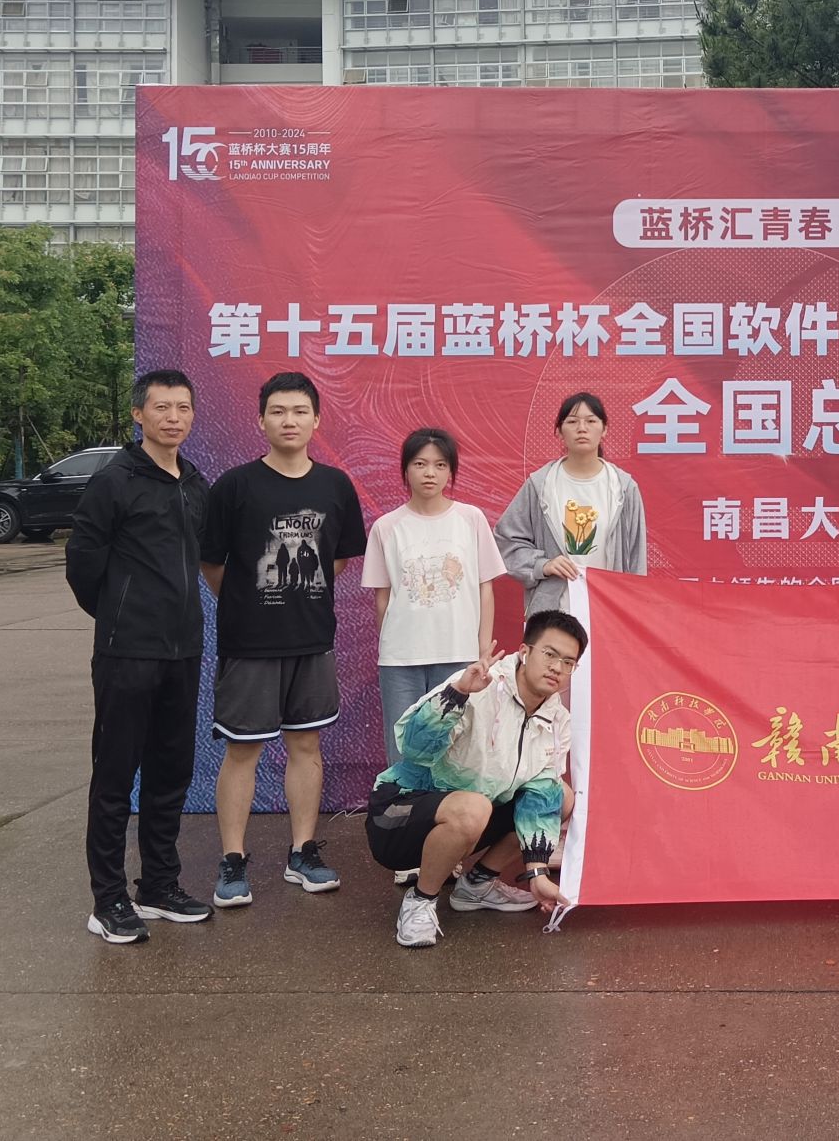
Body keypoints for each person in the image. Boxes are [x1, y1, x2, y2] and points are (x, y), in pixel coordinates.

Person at [200, 370, 367, 908]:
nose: (288, 421)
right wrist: (251, 601)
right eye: (278, 411)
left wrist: (297, 595)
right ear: (261, 420)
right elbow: (213, 565)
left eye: (299, 411)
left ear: (317, 420)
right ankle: (232, 860)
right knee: (242, 750)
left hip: (312, 640)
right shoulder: (234, 487)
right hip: (249, 643)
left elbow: (338, 560)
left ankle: (302, 852)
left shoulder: (335, 485)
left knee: (306, 745)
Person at [65, 369, 215, 945]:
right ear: (138, 414)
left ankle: (158, 885)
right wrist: (119, 614)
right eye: (161, 407)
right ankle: (108, 900)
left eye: (183, 407)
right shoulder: (114, 481)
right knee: (114, 775)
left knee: (170, 773)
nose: (173, 417)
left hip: (183, 651)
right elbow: (84, 565)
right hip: (127, 651)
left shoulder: (195, 483)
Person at [366, 610, 584, 948]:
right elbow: (413, 749)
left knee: (560, 795)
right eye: (550, 654)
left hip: (472, 814)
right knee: (474, 808)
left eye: (568, 662)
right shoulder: (478, 684)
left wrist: (537, 871)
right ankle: (421, 900)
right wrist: (458, 695)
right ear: (525, 652)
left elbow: (541, 795)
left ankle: (477, 885)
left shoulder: (558, 720)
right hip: (399, 813)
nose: (557, 667)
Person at [363, 427, 507, 881]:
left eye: (440, 465)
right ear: (405, 470)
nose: (430, 473)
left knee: (454, 751)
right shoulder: (387, 527)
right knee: (404, 750)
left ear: (451, 472)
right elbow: (383, 597)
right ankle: (407, 853)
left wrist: (481, 647)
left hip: (458, 657)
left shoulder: (470, 519)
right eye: (420, 464)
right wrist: (393, 642)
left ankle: (447, 847)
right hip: (401, 658)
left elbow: (486, 588)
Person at [495, 392, 647, 615]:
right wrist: (543, 564)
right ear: (559, 431)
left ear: (604, 429)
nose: (582, 428)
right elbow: (506, 540)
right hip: (553, 612)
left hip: (609, 611)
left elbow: (636, 558)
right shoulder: (541, 485)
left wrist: (633, 610)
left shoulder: (623, 488)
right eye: (573, 421)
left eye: (591, 421)